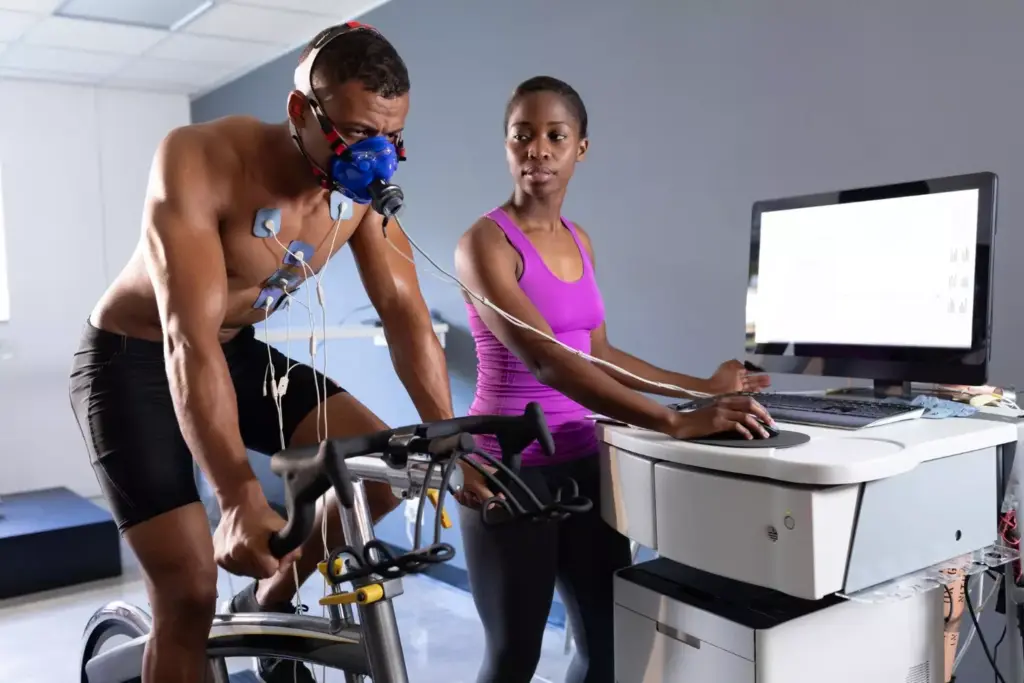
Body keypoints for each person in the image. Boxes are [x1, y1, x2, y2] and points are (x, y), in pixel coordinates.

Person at [69, 23, 453, 683]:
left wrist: (446, 436)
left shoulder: (359, 197)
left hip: (236, 350)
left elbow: (405, 313)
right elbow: (188, 339)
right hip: (132, 359)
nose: (378, 157)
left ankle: (270, 599)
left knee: (385, 465)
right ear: (302, 111)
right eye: (359, 134)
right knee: (188, 592)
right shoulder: (198, 159)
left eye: (391, 136)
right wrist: (238, 492)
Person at [453, 76, 774, 683]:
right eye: (523, 135)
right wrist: (674, 421)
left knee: (607, 644)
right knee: (514, 655)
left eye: (556, 135)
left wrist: (704, 387)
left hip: (583, 461)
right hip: (508, 467)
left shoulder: (580, 241)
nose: (538, 149)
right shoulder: (484, 243)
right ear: (507, 146)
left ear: (581, 149)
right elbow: (550, 362)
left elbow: (597, 354)